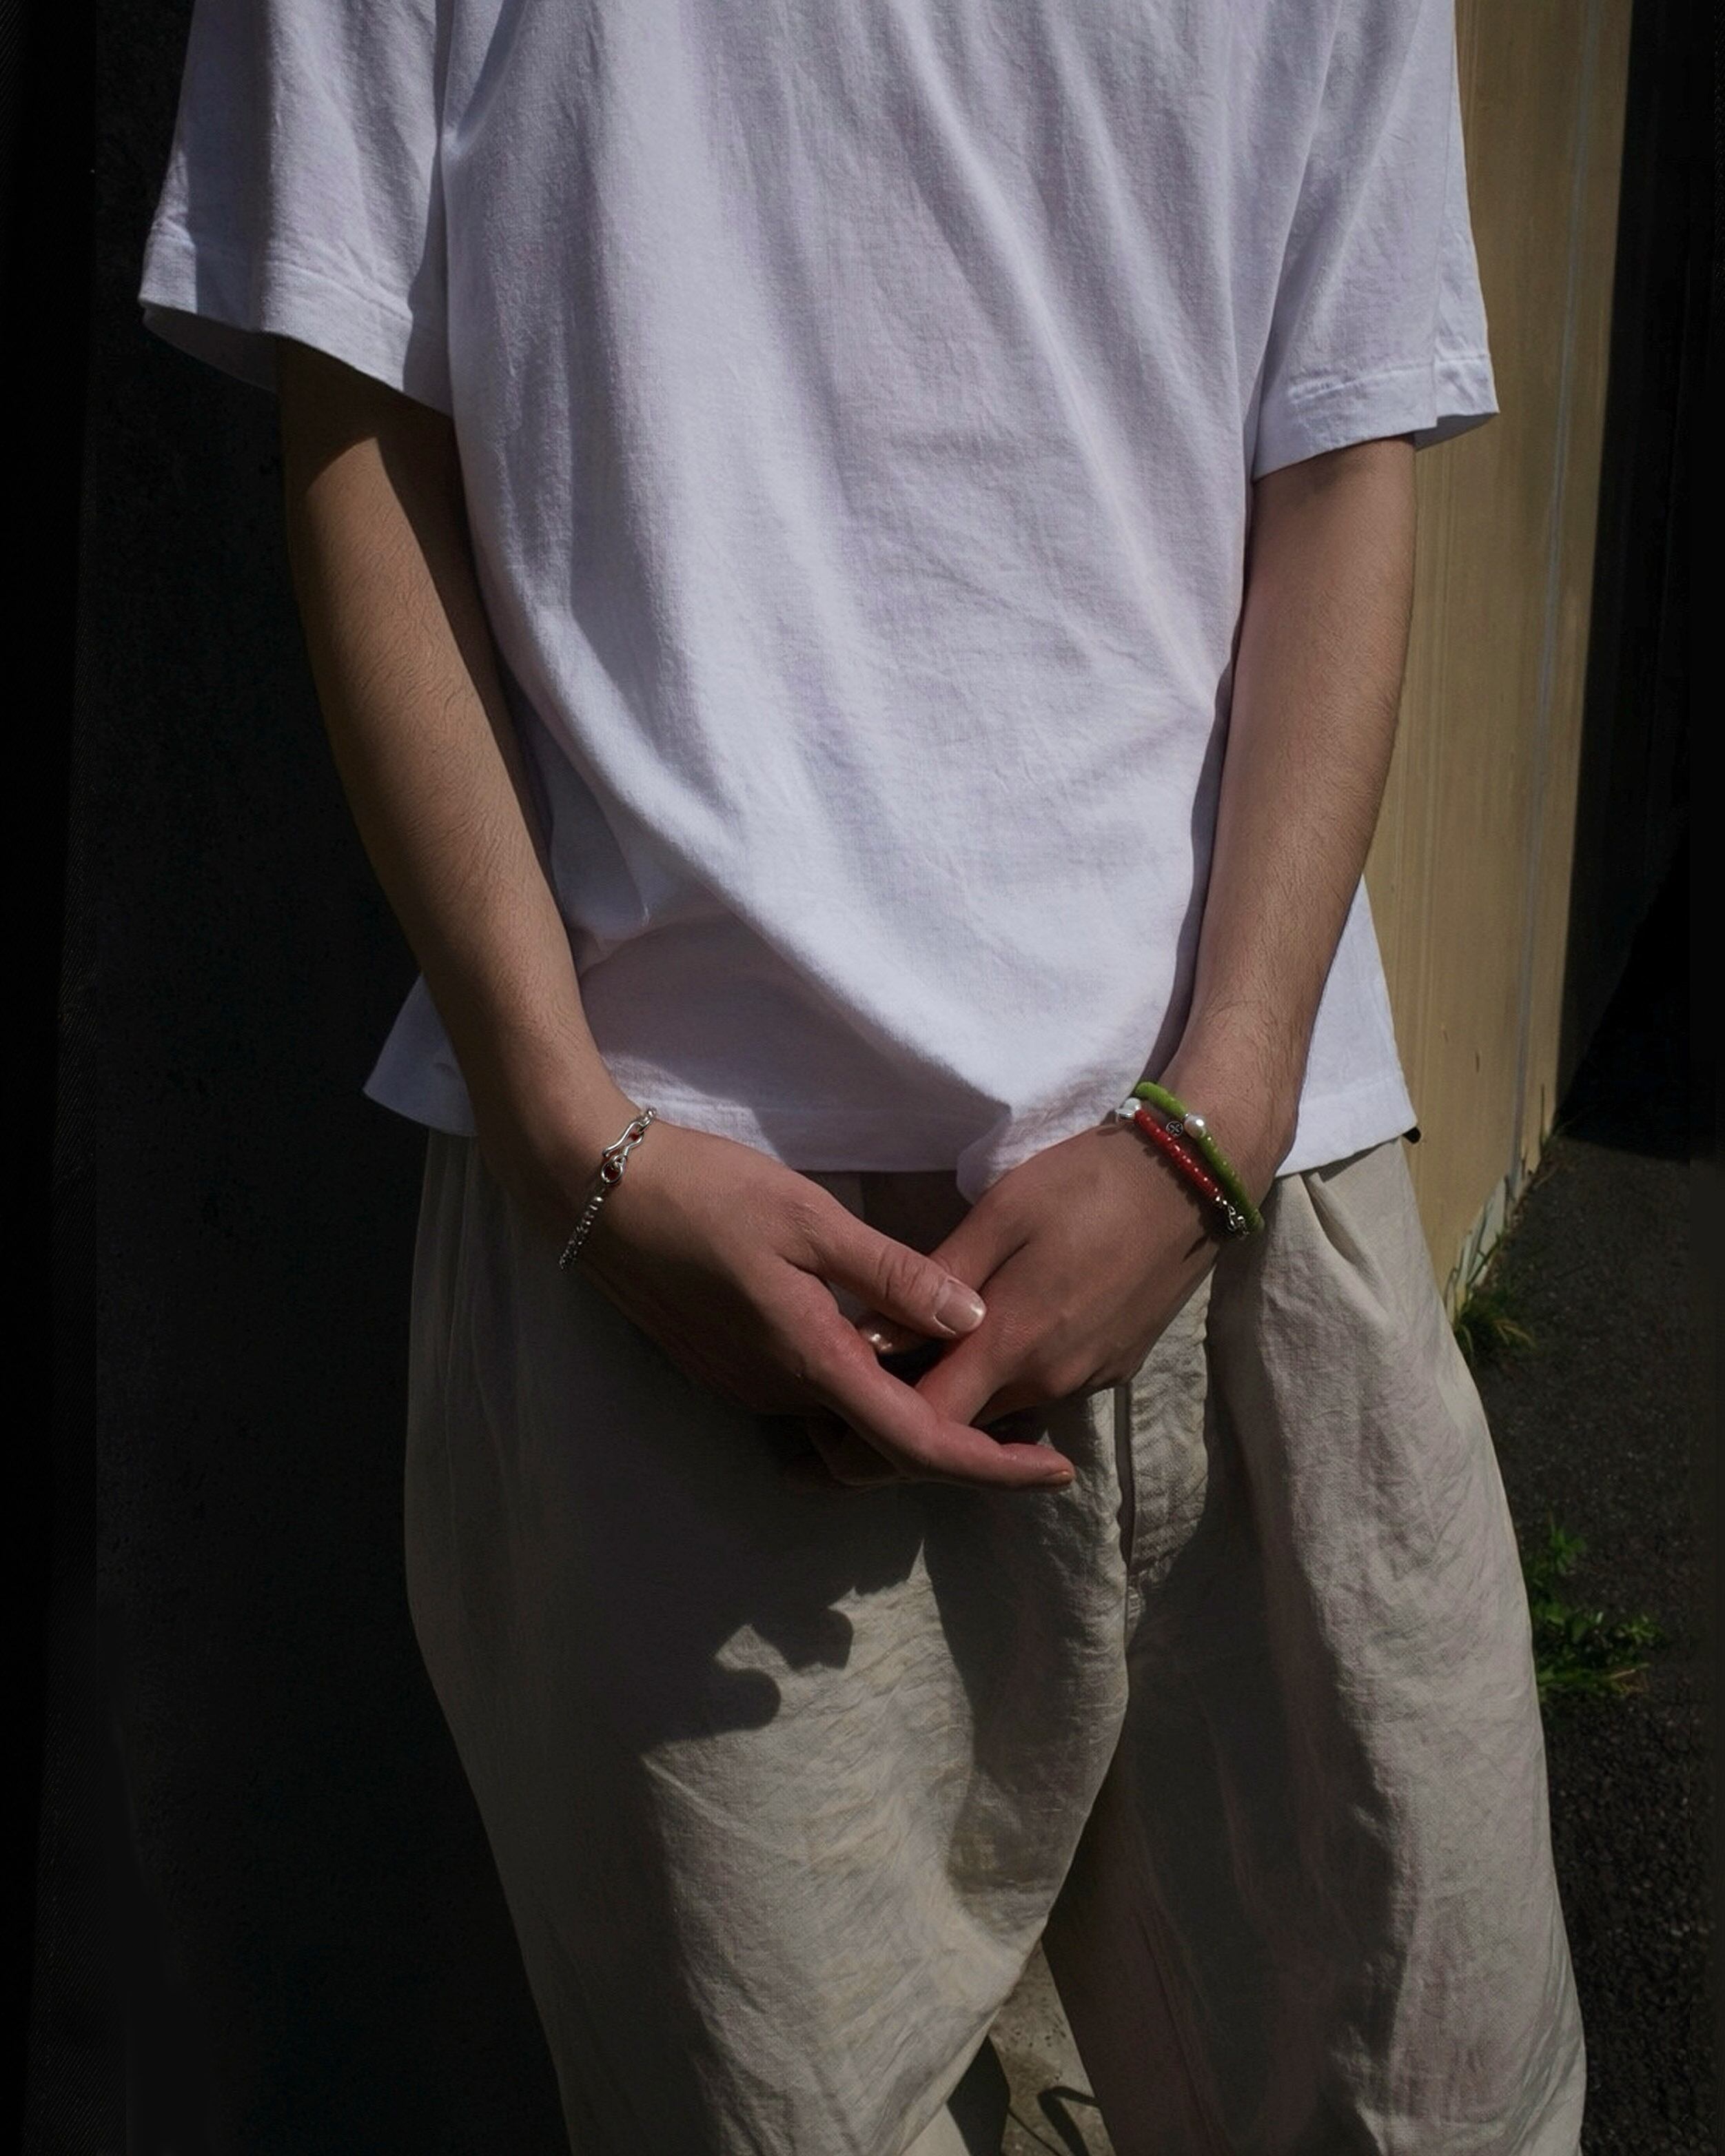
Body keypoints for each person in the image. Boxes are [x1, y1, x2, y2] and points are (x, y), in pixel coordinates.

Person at [139, 0, 1584, 2148]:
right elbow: (359, 431)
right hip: (680, 1273)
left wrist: (1223, 1113)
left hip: (1252, 1213)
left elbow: (1341, 440)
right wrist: (571, 1138)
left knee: (1434, 2103)